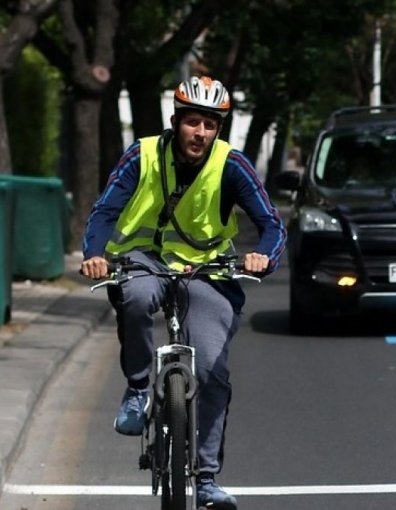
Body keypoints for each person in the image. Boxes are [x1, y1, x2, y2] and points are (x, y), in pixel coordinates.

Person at [81, 76, 286, 510]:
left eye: (210, 126)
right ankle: (138, 388)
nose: (201, 133)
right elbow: (104, 212)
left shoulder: (232, 165)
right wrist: (95, 254)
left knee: (211, 369)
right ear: (176, 122)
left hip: (207, 270)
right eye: (193, 123)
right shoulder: (143, 154)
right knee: (136, 299)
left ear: (219, 129)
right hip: (141, 260)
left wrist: (263, 257)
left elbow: (272, 224)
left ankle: (207, 478)